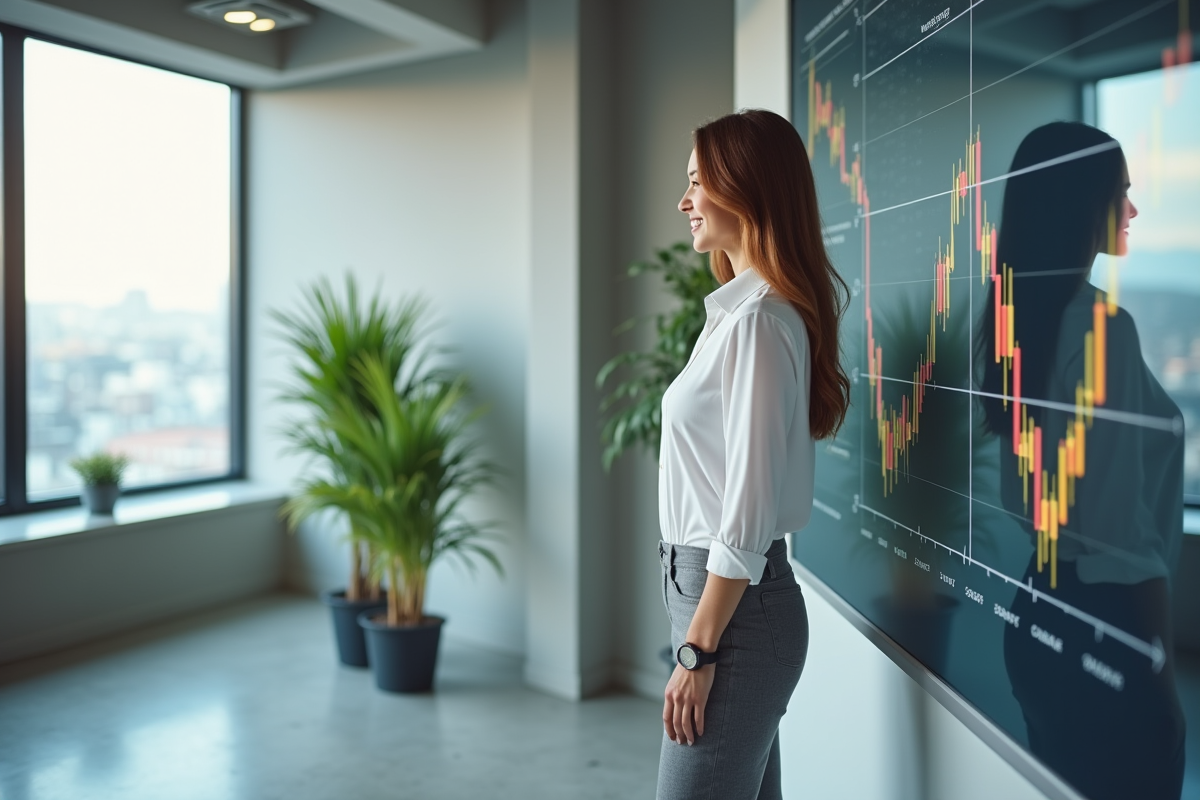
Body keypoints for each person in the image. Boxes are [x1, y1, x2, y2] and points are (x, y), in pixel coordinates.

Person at [977, 122, 1186, 800]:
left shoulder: (1013, 319)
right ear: (1077, 203)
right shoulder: (1104, 330)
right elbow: (1119, 541)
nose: (1131, 209)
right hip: (1108, 617)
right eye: (1118, 192)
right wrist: (1161, 675)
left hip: (1036, 609)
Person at [656, 109, 850, 800]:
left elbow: (746, 511)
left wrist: (699, 648)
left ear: (748, 189)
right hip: (721, 608)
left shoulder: (763, 323)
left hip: (731, 615)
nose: (684, 202)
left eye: (698, 183)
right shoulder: (739, 317)